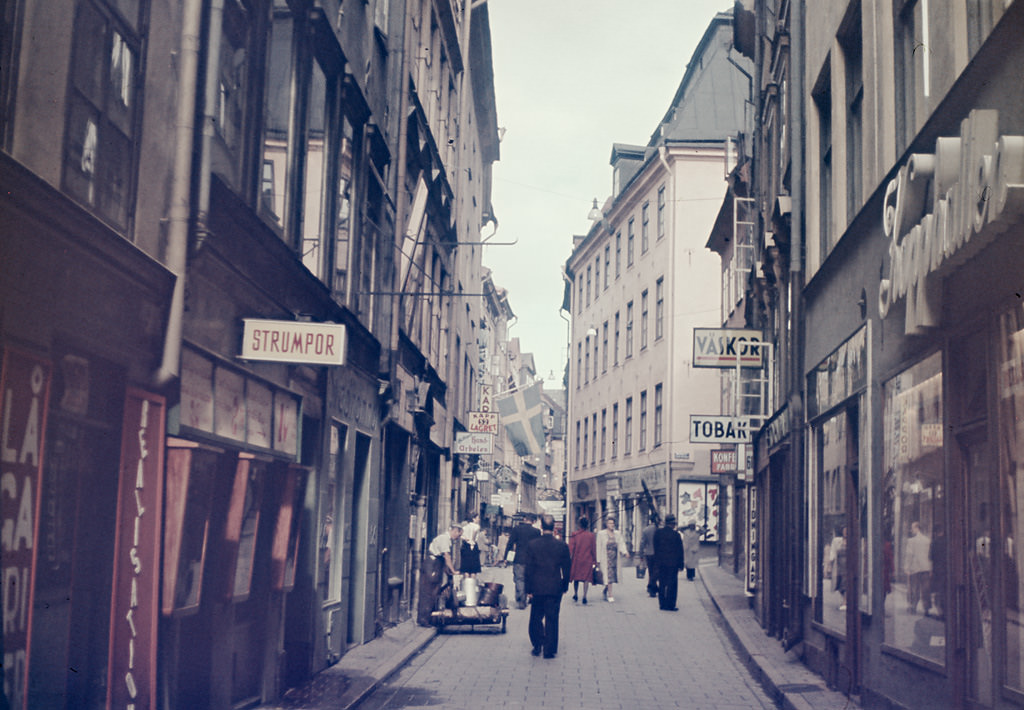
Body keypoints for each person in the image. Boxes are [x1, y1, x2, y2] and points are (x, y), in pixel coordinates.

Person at [521, 514, 571, 659]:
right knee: (552, 618)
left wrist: (528, 589)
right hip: (554, 587)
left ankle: (537, 645)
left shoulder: (532, 544)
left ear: (541, 526)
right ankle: (549, 650)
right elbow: (567, 567)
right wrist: (565, 586)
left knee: (536, 617)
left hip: (537, 587)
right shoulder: (562, 545)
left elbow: (528, 568)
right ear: (554, 527)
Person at [417, 523, 462, 626]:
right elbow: (446, 556)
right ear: (455, 531)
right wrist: (453, 571)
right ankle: (424, 619)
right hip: (432, 565)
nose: (458, 538)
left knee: (435, 592)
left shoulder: (447, 540)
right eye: (458, 535)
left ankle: (430, 618)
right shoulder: (444, 539)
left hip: (437, 565)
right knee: (429, 591)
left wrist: (448, 571)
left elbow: (444, 559)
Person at [505, 513, 541, 609]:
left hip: (519, 558)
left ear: (524, 519)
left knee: (519, 579)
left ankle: (521, 599)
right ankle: (530, 596)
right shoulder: (536, 531)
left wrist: (506, 557)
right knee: (531, 579)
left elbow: (510, 543)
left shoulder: (517, 529)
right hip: (532, 560)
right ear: (533, 521)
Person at [653, 515, 684, 611]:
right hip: (672, 564)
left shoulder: (658, 533)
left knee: (662, 583)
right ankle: (670, 605)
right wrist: (681, 564)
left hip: (661, 563)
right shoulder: (676, 535)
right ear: (673, 524)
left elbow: (655, 548)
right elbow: (680, 551)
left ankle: (662, 604)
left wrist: (657, 561)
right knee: (672, 584)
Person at [595, 515, 628, 602]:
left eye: (613, 523)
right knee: (608, 577)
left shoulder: (617, 534)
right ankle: (610, 594)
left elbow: (621, 543)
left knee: (611, 577)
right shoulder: (601, 534)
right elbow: (598, 547)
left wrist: (625, 552)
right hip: (605, 558)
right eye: (610, 523)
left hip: (614, 559)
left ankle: (606, 591)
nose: (611, 525)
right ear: (606, 524)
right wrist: (598, 560)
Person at [567, 516, 597, 603]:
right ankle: (584, 596)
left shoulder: (574, 534)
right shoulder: (591, 536)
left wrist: (569, 558)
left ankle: (576, 594)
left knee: (576, 578)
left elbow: (571, 547)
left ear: (579, 525)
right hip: (588, 560)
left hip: (577, 560)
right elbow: (593, 549)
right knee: (586, 579)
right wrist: (595, 560)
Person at [905, 521, 932, 614]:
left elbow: (909, 554)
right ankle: (926, 608)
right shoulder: (927, 540)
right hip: (925, 567)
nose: (911, 530)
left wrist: (907, 567)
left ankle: (913, 606)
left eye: (912, 528)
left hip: (915, 568)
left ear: (917, 528)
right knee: (925, 589)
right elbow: (929, 555)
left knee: (914, 588)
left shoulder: (911, 541)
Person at [640, 515, 659, 597]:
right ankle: (652, 588)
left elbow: (642, 543)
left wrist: (641, 554)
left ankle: (651, 586)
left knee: (651, 571)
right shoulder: (658, 530)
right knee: (656, 571)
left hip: (648, 553)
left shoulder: (645, 530)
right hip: (657, 553)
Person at [459, 512, 482, 578]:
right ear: (473, 519)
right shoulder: (477, 526)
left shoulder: (465, 527)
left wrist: (465, 539)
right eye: (477, 518)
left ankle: (466, 584)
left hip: (465, 546)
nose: (479, 519)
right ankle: (472, 585)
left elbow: (460, 535)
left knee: (466, 567)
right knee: (473, 569)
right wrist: (472, 541)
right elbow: (474, 535)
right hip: (473, 546)